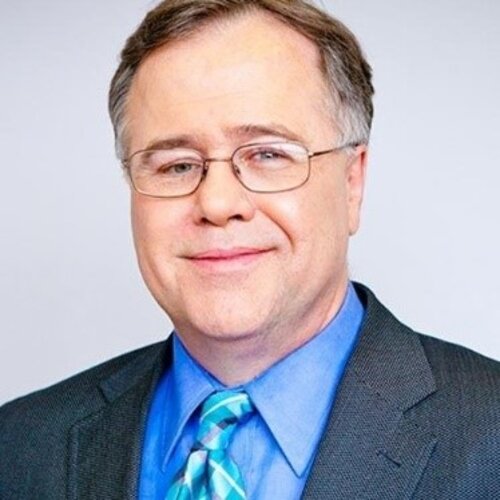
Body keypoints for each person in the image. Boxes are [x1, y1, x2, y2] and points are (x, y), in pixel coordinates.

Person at [1, 0, 499, 498]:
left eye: (267, 155)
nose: (217, 203)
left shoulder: (488, 434)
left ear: (353, 182)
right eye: (176, 165)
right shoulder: (20, 445)